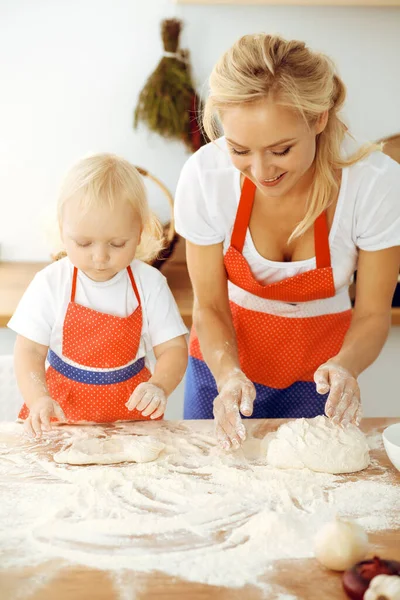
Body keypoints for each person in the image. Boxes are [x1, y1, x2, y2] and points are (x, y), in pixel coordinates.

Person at [174, 34, 400, 450]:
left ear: (318, 119)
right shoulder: (206, 177)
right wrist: (228, 376)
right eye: (240, 149)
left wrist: (345, 368)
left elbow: (372, 313)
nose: (260, 171)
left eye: (281, 149)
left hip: (321, 378)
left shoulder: (373, 184)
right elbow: (208, 304)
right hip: (222, 371)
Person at [9, 153, 188, 437]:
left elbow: (173, 350)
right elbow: (29, 351)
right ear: (62, 229)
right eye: (84, 243)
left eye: (117, 243)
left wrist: (159, 384)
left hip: (132, 415)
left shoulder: (149, 283)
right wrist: (38, 399)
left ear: (139, 233)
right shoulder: (51, 283)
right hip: (62, 413)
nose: (101, 257)